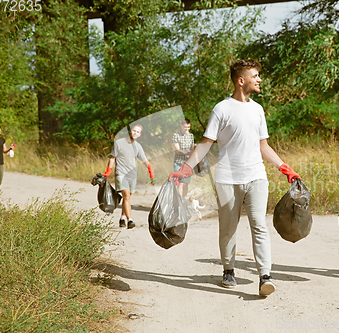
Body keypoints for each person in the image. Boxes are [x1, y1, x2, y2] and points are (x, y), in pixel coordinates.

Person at [169, 59, 301, 296]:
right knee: (228, 227)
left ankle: (265, 276)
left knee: (259, 225)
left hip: (256, 176)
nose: (259, 79)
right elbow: (205, 144)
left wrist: (285, 167)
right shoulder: (222, 109)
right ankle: (229, 270)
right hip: (227, 178)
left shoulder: (258, 110)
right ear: (241, 81)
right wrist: (186, 168)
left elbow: (264, 146)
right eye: (255, 75)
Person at [103, 124, 154, 229]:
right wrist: (108, 171)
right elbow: (112, 158)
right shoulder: (119, 143)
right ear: (130, 131)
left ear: (140, 134)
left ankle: (122, 218)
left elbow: (144, 159)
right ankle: (130, 220)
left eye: (137, 132)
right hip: (121, 173)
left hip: (132, 174)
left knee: (127, 198)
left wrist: (149, 167)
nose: (135, 133)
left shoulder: (138, 146)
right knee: (126, 196)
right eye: (134, 131)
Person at [172, 118, 194, 197]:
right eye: (185, 127)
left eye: (188, 127)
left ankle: (183, 200)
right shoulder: (176, 135)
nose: (187, 129)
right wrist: (186, 152)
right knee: (180, 183)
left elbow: (192, 147)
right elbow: (177, 150)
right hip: (178, 162)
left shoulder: (191, 136)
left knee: (186, 184)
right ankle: (179, 202)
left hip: (188, 163)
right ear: (181, 126)